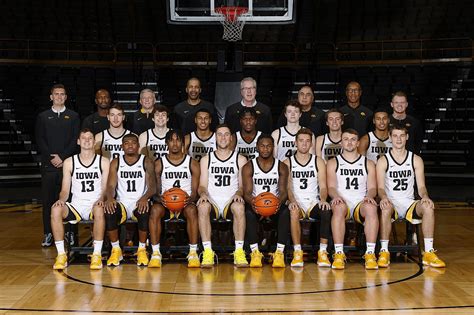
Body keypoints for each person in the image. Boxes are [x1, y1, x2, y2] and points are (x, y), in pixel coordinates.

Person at [376, 125, 445, 268]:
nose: (398, 139)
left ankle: (428, 252)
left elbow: (421, 186)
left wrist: (425, 196)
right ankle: (384, 251)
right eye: (395, 136)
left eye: (402, 135)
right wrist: (383, 198)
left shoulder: (416, 159)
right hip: (391, 203)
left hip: (409, 203)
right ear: (390, 138)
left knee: (428, 207)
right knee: (385, 207)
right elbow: (380, 188)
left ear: (407, 137)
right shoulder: (383, 160)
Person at [50, 129, 109, 270]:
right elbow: (65, 190)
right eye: (84, 138)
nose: (87, 140)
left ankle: (96, 254)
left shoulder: (104, 161)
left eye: (90, 138)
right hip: (76, 205)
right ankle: (61, 254)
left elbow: (106, 188)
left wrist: (101, 198)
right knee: (55, 209)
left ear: (95, 143)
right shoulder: (70, 162)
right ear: (78, 141)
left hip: (95, 204)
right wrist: (61, 200)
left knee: (100, 209)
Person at [197, 124, 249, 267]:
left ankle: (239, 252)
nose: (223, 137)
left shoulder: (240, 159)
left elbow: (242, 186)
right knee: (202, 207)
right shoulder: (206, 159)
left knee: (239, 207)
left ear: (231, 138)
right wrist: (202, 194)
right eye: (220, 134)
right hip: (212, 200)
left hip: (230, 201)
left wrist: (239, 193)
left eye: (226, 134)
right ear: (215, 137)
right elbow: (202, 185)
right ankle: (208, 252)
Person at [327, 129, 379, 270]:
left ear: (357, 143)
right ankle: (338, 254)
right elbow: (331, 187)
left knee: (371, 208)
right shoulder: (333, 162)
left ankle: (370, 254)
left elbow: (373, 187)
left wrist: (369, 196)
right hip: (342, 201)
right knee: (337, 208)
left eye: (352, 139)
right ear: (341, 142)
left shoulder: (368, 163)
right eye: (346, 139)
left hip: (359, 202)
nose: (349, 142)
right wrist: (335, 196)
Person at [148, 130, 201, 268]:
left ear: (183, 143)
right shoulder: (159, 163)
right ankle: (155, 254)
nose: (175, 143)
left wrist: (190, 199)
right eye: (171, 140)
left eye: (178, 140)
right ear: (167, 143)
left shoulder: (192, 162)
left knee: (192, 211)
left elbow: (195, 192)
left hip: (185, 204)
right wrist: (160, 199)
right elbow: (155, 190)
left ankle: (193, 253)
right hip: (166, 204)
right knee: (154, 210)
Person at [35, 84, 80, 247]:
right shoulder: (43, 116)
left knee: (69, 201)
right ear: (51, 97)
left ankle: (71, 234)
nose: (59, 96)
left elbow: (76, 139)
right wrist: (51, 157)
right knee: (48, 201)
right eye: (56, 94)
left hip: (68, 165)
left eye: (62, 94)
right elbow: (40, 139)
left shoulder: (73, 116)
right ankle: (48, 233)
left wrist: (63, 157)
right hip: (48, 165)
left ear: (66, 97)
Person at [103, 134, 156, 266]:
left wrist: (145, 198)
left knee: (144, 210)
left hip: (139, 201)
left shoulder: (146, 161)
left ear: (138, 146)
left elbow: (153, 187)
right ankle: (116, 250)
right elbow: (110, 185)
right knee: (109, 210)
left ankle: (142, 249)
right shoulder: (116, 162)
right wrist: (109, 198)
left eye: (133, 142)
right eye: (127, 143)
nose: (130, 145)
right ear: (122, 146)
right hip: (122, 202)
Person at [283, 128, 332, 267]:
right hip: (296, 201)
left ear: (311, 144)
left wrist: (323, 199)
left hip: (312, 202)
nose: (304, 144)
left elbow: (323, 186)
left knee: (326, 210)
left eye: (307, 141)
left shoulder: (318, 161)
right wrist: (292, 201)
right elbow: (288, 188)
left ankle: (323, 252)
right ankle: (297, 252)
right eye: (301, 141)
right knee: (293, 211)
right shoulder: (287, 162)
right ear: (295, 143)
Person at [242, 134, 290, 268]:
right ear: (257, 147)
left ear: (273, 147)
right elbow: (247, 193)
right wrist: (257, 205)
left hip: (275, 204)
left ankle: (279, 253)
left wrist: (274, 206)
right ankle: (255, 253)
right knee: (248, 213)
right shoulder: (249, 166)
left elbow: (283, 192)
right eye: (262, 146)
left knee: (285, 212)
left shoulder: (281, 166)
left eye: (268, 146)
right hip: (256, 204)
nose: (265, 149)